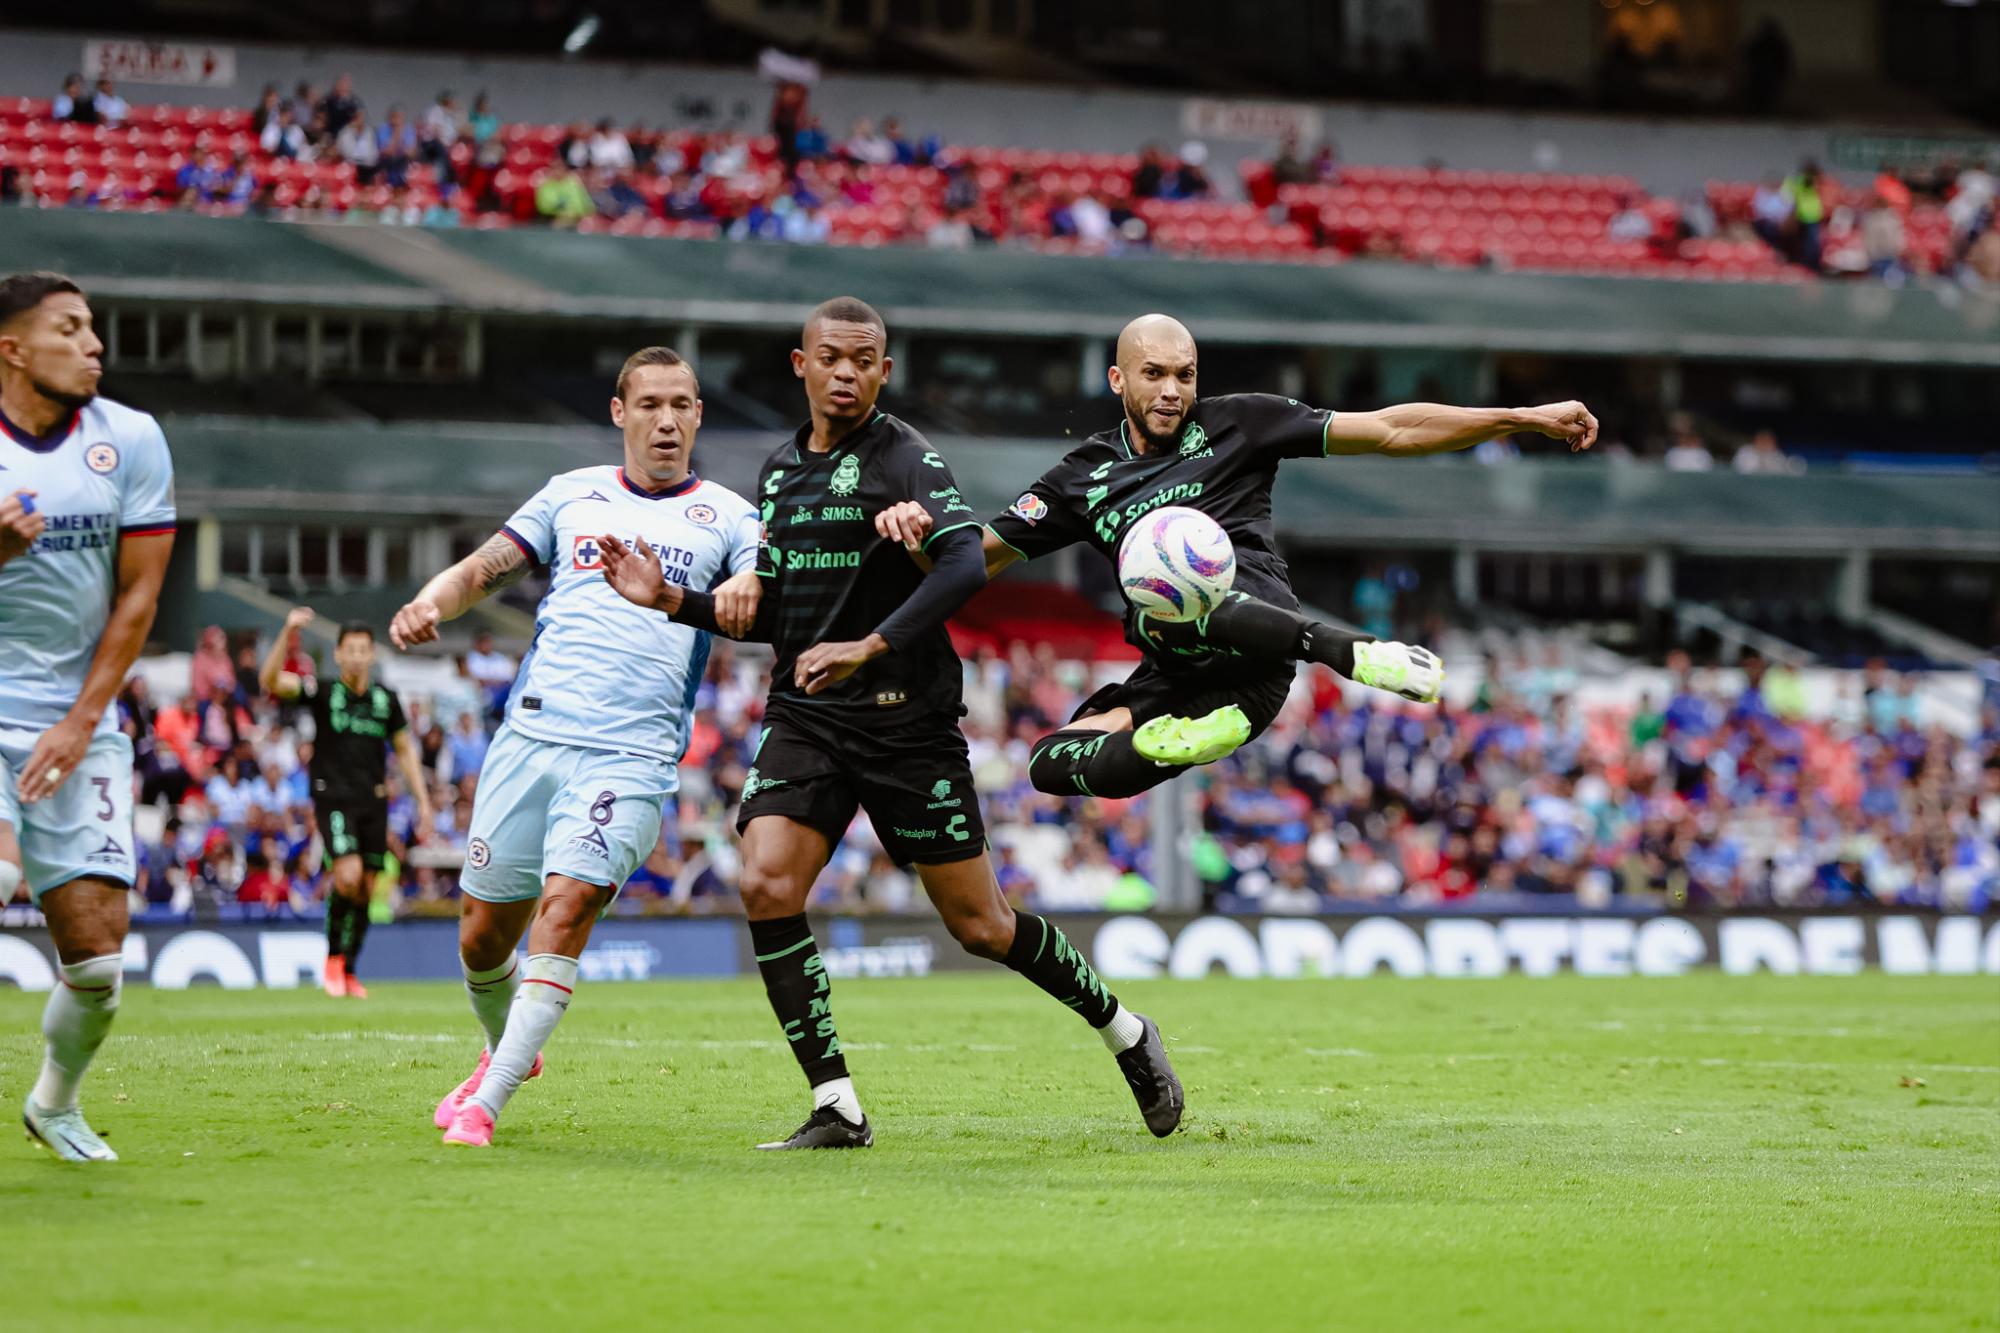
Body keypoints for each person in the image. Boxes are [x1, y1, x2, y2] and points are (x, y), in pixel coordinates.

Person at [600, 297, 1183, 1149]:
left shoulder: (907, 457)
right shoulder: (776, 473)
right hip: (809, 713)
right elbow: (787, 619)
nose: (846, 373)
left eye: (863, 360)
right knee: (764, 880)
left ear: (884, 369)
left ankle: (1125, 1031)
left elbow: (961, 564)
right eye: (830, 358)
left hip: (906, 720)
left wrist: (870, 644)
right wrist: (674, 601)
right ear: (801, 366)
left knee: (981, 925)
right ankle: (836, 1103)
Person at [876, 313, 1595, 803]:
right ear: (1118, 380)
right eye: (1153, 373)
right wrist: (914, 535)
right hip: (1174, 674)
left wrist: (1520, 417)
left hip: (1259, 652)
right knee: (1049, 763)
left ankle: (1350, 651)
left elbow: (1390, 431)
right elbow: (979, 556)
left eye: (1184, 374)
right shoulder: (1082, 477)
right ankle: (1173, 746)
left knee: (1178, 568)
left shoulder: (1240, 423)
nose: (1172, 391)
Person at [389, 346, 759, 1148]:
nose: (667, 420)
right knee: (483, 937)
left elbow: (758, 591)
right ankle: (508, 1054)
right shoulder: (571, 496)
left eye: (683, 405)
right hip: (531, 735)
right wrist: (432, 600)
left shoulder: (730, 516)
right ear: (619, 412)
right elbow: (487, 567)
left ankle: (484, 1104)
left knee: (565, 908)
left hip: (630, 753)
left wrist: (742, 585)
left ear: (699, 415)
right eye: (651, 403)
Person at [0, 271, 178, 1162]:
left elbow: (139, 599)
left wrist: (79, 722)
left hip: (80, 717)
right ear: (14, 348)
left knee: (100, 960)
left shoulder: (132, 439)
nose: (94, 343)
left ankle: (53, 1105)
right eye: (69, 329)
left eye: (94, 327)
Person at [259, 612, 433, 998]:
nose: (356, 657)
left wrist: (423, 802)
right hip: (332, 797)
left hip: (374, 801)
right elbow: (269, 681)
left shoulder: (386, 700)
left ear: (372, 655)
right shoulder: (321, 692)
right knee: (348, 877)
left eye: (363, 650)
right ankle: (333, 959)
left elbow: (405, 750)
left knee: (368, 889)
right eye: (349, 650)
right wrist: (287, 632)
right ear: (338, 654)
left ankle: (349, 970)